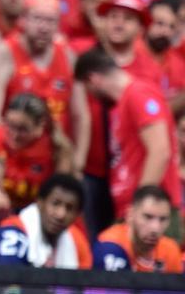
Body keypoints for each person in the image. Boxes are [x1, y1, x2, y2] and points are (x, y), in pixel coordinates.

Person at [74, 49, 182, 217]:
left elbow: (160, 151)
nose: (92, 97)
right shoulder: (122, 103)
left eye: (88, 90)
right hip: (134, 210)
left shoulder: (138, 94)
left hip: (153, 213)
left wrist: (141, 205)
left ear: (93, 79)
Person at [0, 0, 86, 150]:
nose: (44, 27)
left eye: (50, 21)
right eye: (38, 19)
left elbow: (80, 116)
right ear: (23, 19)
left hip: (51, 154)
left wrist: (77, 162)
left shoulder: (68, 57)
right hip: (10, 153)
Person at [0, 93, 73, 210]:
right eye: (10, 125)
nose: (14, 135)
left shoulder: (57, 149)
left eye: (23, 129)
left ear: (40, 126)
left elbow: (59, 200)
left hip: (34, 216)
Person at [0, 173, 91, 268]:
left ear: (77, 215)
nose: (61, 214)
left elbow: (86, 289)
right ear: (40, 203)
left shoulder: (77, 242)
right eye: (55, 203)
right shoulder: (12, 233)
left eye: (69, 208)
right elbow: (7, 286)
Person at [94, 185, 182, 272]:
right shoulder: (110, 245)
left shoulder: (170, 251)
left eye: (163, 219)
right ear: (130, 214)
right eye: (148, 217)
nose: (155, 228)